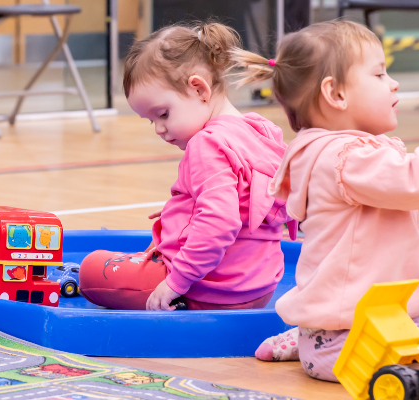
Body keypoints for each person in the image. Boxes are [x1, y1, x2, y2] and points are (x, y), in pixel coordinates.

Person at [233, 20, 419, 381]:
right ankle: (316, 342)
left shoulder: (358, 152)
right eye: (379, 75)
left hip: (382, 316)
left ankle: (309, 338)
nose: (393, 83)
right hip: (354, 333)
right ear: (335, 94)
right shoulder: (343, 158)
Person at [77, 22, 293, 311]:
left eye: (163, 114)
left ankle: (176, 293)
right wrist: (180, 209)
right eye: (151, 120)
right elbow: (253, 203)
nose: (159, 129)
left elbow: (221, 222)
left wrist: (175, 283)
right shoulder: (260, 129)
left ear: (199, 88)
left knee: (91, 269)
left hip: (209, 289)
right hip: (259, 287)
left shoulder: (207, 143)